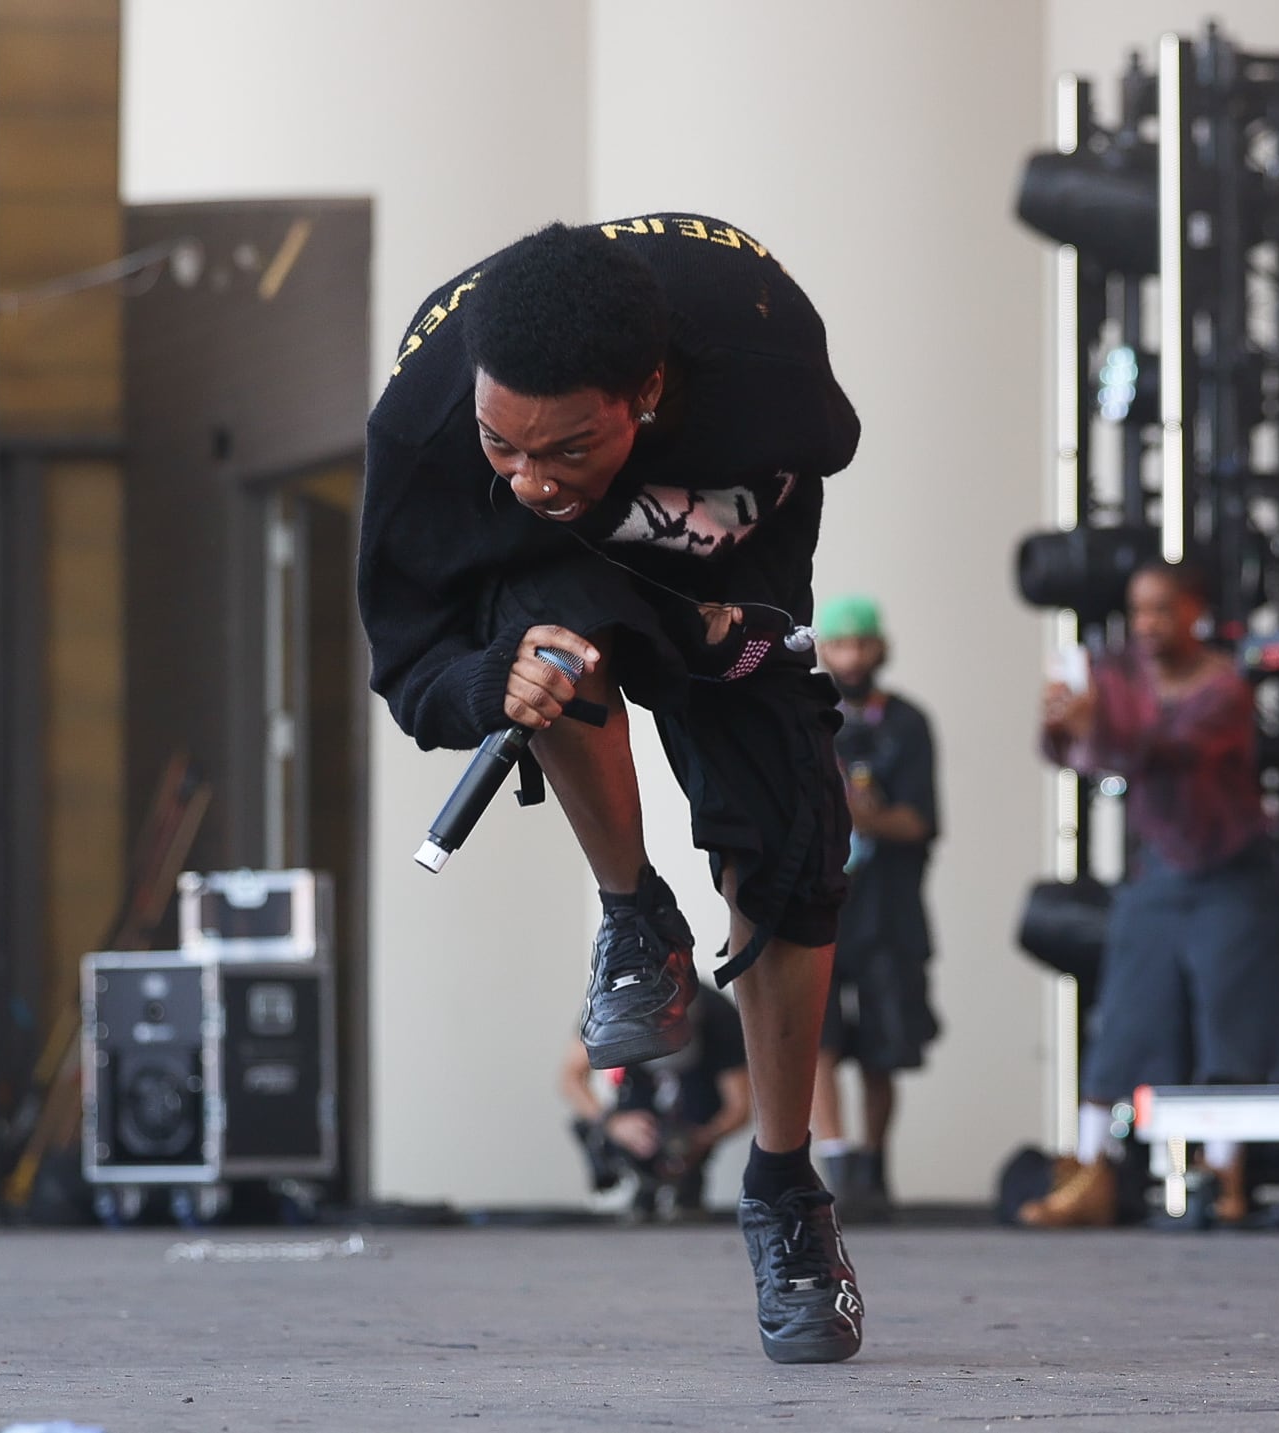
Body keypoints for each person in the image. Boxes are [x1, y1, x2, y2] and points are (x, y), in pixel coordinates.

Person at [358, 215, 865, 1362]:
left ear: (645, 390)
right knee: (553, 631)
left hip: (723, 559)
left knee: (791, 851)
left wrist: (736, 625)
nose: (530, 477)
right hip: (548, 594)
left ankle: (785, 1189)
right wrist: (497, 679)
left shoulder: (761, 352)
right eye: (505, 446)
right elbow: (409, 664)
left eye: (565, 448)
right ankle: (635, 914)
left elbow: (805, 475)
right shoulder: (427, 426)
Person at [1028, 560, 1279, 1228]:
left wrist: (1096, 725)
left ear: (1193, 611)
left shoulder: (1223, 686)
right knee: (1123, 1019)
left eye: (1160, 610)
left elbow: (1163, 751)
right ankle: (1088, 1171)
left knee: (1228, 1021)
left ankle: (1223, 1173)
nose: (1145, 624)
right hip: (1158, 875)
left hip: (1229, 871)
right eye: (1137, 610)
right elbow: (1073, 753)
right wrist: (1060, 720)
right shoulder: (1119, 676)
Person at [808, 594, 940, 1216]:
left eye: (862, 644)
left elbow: (921, 822)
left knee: (886, 1043)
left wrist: (868, 816)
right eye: (839, 645)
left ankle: (872, 1165)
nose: (852, 657)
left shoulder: (907, 724)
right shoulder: (807, 717)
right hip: (820, 904)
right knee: (816, 1036)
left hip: (889, 911)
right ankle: (832, 1161)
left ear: (880, 648)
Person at [559, 986, 752, 1219]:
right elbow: (571, 1079)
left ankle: (689, 1180)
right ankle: (643, 1178)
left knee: (698, 1109)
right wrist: (612, 1123)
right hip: (635, 1084)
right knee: (629, 1114)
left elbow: (739, 1107)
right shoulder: (606, 1009)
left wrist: (704, 1137)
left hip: (700, 1091)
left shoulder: (720, 1016)